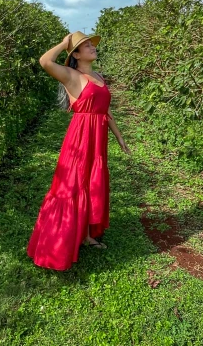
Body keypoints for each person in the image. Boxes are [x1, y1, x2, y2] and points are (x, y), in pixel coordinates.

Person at [26, 31, 131, 271]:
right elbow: (44, 62)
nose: (93, 48)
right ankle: (57, 246)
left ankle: (86, 236)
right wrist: (64, 43)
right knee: (71, 186)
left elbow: (105, 110)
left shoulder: (98, 75)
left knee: (90, 183)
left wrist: (119, 136)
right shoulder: (72, 75)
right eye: (86, 46)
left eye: (92, 45)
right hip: (80, 137)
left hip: (98, 137)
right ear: (76, 54)